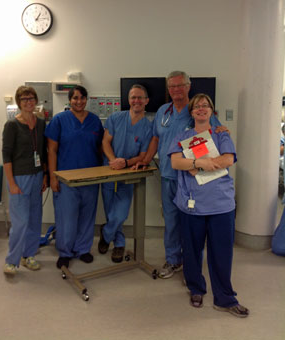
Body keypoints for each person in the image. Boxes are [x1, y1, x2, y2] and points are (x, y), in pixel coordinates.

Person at [168, 93, 249, 317]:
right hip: (192, 204)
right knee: (192, 250)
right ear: (191, 112)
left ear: (212, 111)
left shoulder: (221, 134)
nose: (201, 109)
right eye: (197, 107)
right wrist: (197, 162)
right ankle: (196, 288)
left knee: (222, 252)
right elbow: (176, 161)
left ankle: (224, 297)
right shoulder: (183, 136)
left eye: (206, 106)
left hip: (221, 204)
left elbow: (228, 160)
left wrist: (196, 166)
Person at [136, 71, 221, 279]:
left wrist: (222, 131)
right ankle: (173, 260)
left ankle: (192, 266)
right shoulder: (163, 111)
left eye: (179, 85)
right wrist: (146, 159)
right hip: (167, 175)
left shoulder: (197, 110)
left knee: (192, 223)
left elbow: (215, 133)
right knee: (172, 221)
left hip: (191, 177)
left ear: (188, 87)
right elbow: (156, 139)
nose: (175, 90)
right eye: (171, 86)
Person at [45, 85, 104, 269]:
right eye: (75, 98)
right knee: (66, 217)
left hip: (90, 178)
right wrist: (53, 177)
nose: (79, 101)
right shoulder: (59, 120)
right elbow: (52, 150)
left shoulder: (94, 121)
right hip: (65, 178)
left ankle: (83, 249)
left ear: (87, 99)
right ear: (69, 100)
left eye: (82, 98)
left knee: (87, 215)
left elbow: (101, 148)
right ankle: (65, 251)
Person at [98, 84, 153, 263]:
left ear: (146, 101)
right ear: (128, 100)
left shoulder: (148, 127)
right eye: (133, 97)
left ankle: (106, 235)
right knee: (110, 211)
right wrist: (114, 160)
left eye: (140, 97)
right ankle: (119, 244)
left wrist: (126, 163)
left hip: (129, 173)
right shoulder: (115, 118)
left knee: (120, 213)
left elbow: (143, 155)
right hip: (110, 170)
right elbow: (105, 142)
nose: (136, 101)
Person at [2, 85, 48, 276]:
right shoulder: (12, 125)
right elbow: (6, 156)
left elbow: (43, 151)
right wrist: (11, 183)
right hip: (19, 178)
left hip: (37, 176)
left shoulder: (41, 123)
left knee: (35, 220)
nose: (28, 102)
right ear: (19, 102)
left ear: (35, 101)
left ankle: (28, 255)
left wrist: (45, 175)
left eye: (31, 98)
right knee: (20, 222)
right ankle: (12, 260)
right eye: (24, 99)